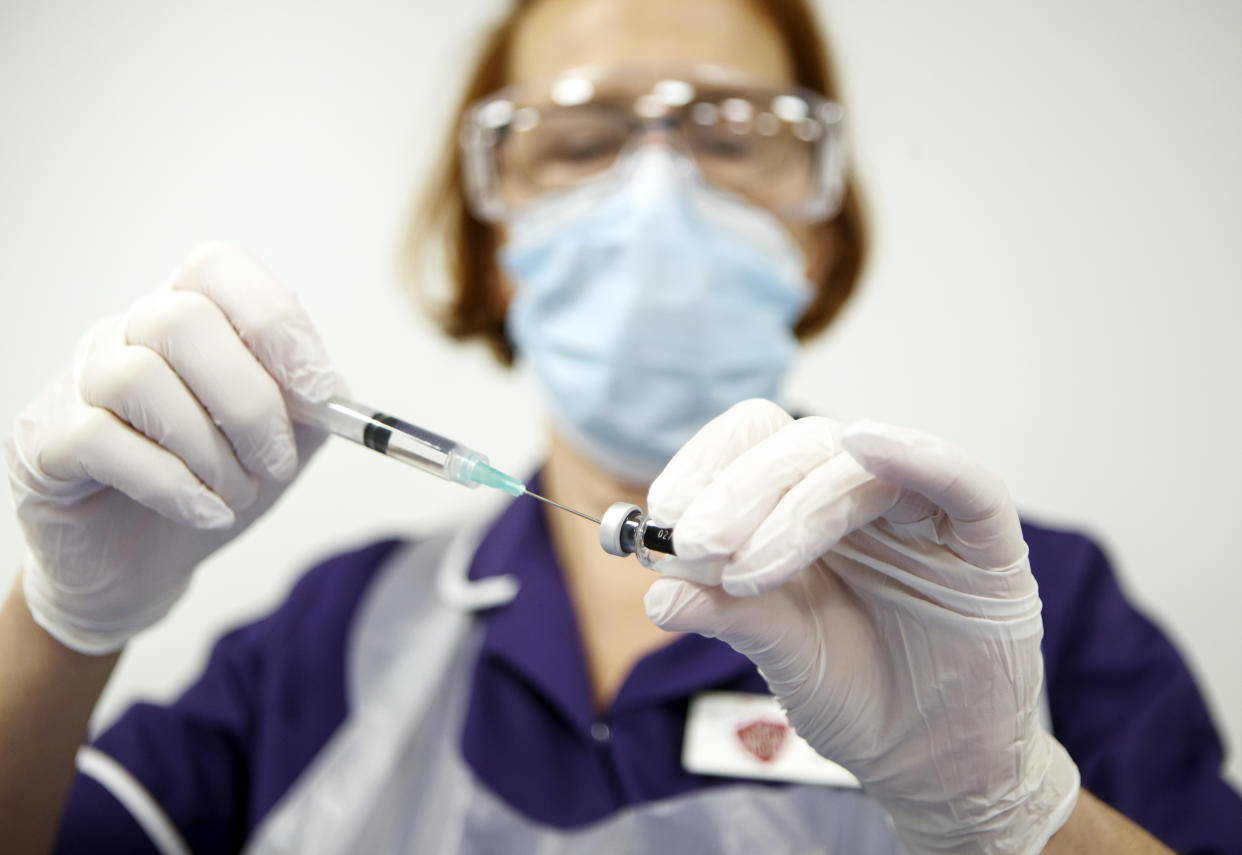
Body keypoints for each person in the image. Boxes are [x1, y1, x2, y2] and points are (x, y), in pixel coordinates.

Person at [1, 0, 1239, 852]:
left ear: (819, 233)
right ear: (494, 249)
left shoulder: (1014, 607)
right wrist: (59, 621)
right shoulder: (330, 641)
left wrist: (1013, 810)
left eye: (732, 134)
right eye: (581, 141)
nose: (657, 190)